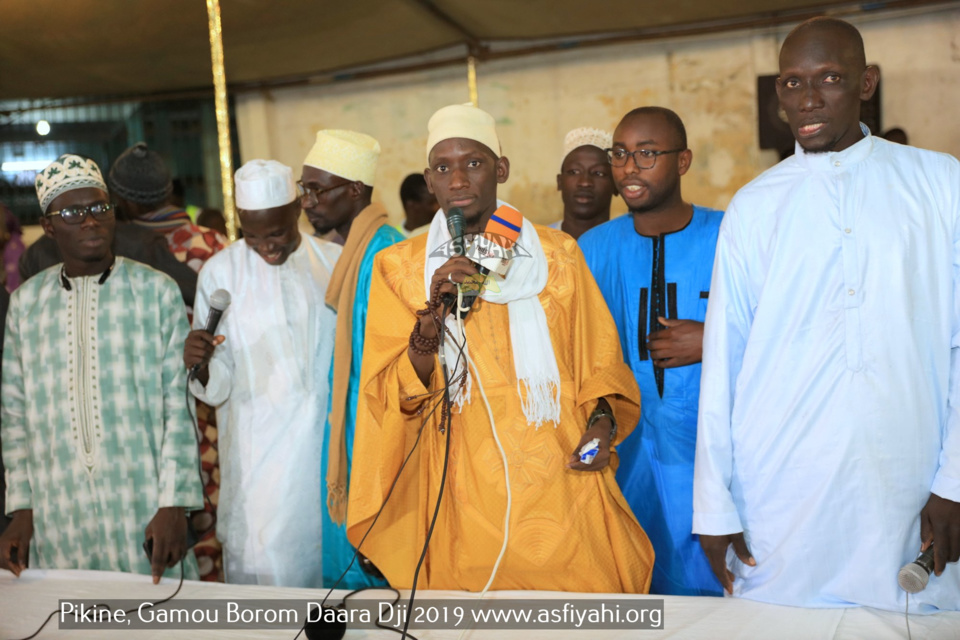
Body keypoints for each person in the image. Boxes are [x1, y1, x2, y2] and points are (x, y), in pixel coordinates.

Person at [693, 17, 960, 611]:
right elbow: (724, 362)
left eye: (830, 78)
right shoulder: (754, 207)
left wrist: (955, 481)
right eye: (792, 83)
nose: (808, 99)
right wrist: (714, 505)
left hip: (908, 480)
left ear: (867, 83)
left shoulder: (940, 182)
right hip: (782, 490)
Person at [346, 103, 654, 592]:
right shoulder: (399, 269)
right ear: (429, 181)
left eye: (473, 163)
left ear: (501, 169)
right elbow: (392, 394)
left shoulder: (558, 256)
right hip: (456, 487)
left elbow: (598, 364)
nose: (458, 179)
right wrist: (431, 321)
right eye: (443, 168)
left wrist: (602, 427)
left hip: (560, 480)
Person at [0, 154, 202, 582]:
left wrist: (174, 503)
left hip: (144, 503)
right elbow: (14, 415)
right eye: (72, 213)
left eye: (99, 208)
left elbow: (179, 405)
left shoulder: (156, 291)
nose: (90, 221)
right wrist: (21, 510)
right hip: (58, 510)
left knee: (157, 613)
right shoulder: (26, 304)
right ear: (49, 226)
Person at [579, 107, 723, 596]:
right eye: (619, 154)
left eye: (646, 154)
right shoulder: (592, 249)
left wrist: (712, 338)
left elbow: (785, 330)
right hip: (627, 453)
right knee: (636, 586)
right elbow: (579, 352)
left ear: (682, 161)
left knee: (723, 602)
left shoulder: (728, 235)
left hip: (713, 452)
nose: (628, 168)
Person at [184, 159, 341, 587]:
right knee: (268, 598)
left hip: (326, 461)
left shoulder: (334, 263)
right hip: (259, 473)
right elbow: (216, 383)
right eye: (251, 236)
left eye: (276, 233)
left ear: (297, 209)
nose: (265, 247)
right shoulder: (220, 273)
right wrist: (201, 365)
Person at [109, 141, 228, 582]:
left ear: (121, 199)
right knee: (215, 510)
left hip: (150, 414)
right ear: (168, 189)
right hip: (216, 407)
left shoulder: (118, 256)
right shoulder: (214, 243)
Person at [299, 130, 402, 588]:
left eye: (317, 190)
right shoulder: (351, 251)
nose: (306, 201)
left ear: (355, 190)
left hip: (374, 439)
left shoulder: (386, 253)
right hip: (349, 430)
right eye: (304, 188)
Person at [110, 142, 227, 276]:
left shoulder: (120, 252)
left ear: (130, 204)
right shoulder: (212, 242)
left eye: (117, 199)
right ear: (168, 191)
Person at [550, 127, 617, 239]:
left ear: (616, 185)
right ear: (560, 182)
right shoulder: (535, 243)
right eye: (574, 172)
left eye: (598, 173)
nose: (585, 183)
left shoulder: (630, 245)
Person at [398, 173, 438, 237]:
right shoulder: (393, 239)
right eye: (432, 203)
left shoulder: (443, 231)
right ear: (412, 206)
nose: (438, 207)